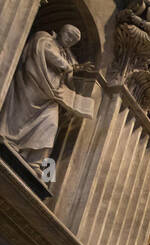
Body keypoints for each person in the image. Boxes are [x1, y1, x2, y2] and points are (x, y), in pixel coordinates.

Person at [0, 25, 94, 169]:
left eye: (73, 40)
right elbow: (44, 50)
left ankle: (39, 167)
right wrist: (70, 67)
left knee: (51, 125)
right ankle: (9, 142)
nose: (70, 41)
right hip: (30, 87)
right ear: (61, 32)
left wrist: (74, 94)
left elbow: (68, 79)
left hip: (50, 98)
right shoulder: (44, 37)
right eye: (69, 35)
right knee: (18, 118)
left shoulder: (68, 56)